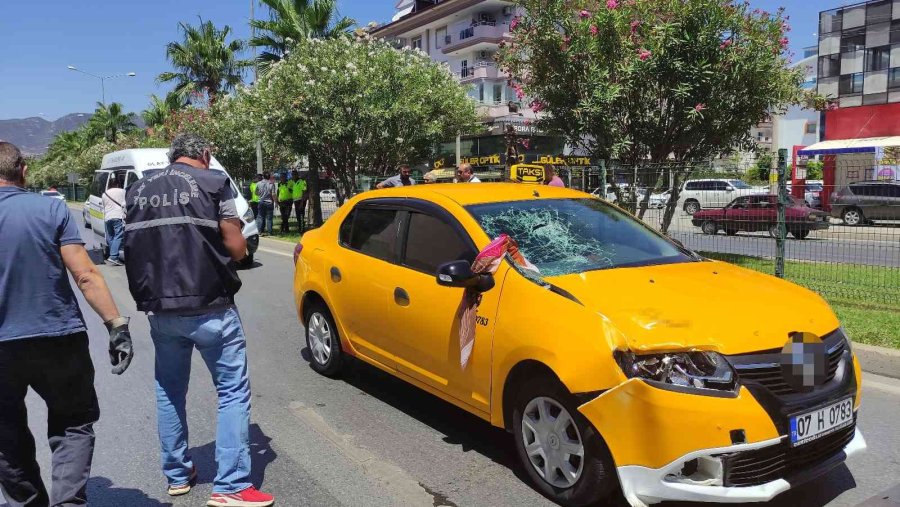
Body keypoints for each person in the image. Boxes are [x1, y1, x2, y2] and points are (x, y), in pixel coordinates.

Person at [123, 133, 274, 507]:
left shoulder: (138, 190)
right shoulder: (213, 182)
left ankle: (177, 474)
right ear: (204, 155)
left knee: (169, 391)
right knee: (232, 393)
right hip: (211, 307)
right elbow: (237, 247)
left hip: (161, 311)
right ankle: (233, 486)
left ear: (173, 157)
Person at [0, 141, 134, 507]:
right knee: (73, 423)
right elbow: (86, 274)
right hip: (57, 337)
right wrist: (116, 324)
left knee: (5, 433)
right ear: (23, 170)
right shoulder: (50, 209)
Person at [102, 176, 126, 265]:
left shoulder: (105, 193)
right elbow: (125, 203)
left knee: (111, 237)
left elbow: (104, 206)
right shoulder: (122, 191)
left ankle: (114, 256)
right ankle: (114, 256)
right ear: (118, 184)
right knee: (118, 236)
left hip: (107, 217)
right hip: (117, 216)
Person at [255, 172, 275, 236]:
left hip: (261, 202)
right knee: (269, 218)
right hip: (269, 202)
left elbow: (256, 192)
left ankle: (259, 232)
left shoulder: (258, 183)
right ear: (269, 177)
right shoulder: (271, 184)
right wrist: (276, 202)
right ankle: (270, 232)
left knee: (260, 217)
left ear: (263, 177)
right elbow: (273, 194)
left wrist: (260, 195)